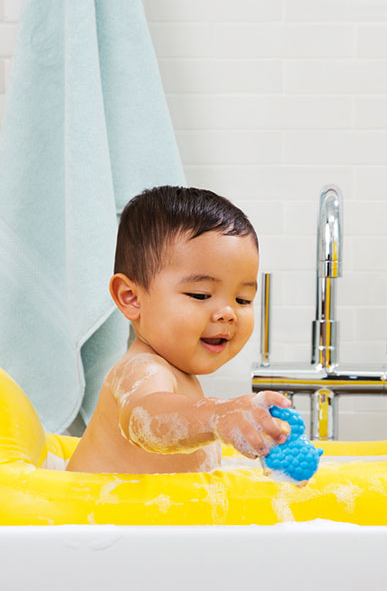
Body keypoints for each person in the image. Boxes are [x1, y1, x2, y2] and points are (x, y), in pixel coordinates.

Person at [67, 186, 291, 474]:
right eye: (200, 294)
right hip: (88, 516)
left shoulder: (179, 377)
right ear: (131, 298)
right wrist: (218, 415)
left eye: (243, 299)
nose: (228, 313)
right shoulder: (143, 369)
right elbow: (146, 418)